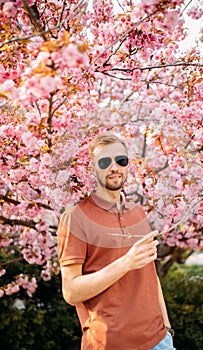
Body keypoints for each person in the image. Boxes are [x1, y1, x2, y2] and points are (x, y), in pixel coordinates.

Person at [57, 132, 175, 350]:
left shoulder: (138, 212)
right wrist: (126, 262)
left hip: (160, 341)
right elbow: (71, 292)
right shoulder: (74, 218)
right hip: (110, 344)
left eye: (121, 160)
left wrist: (167, 328)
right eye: (104, 162)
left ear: (128, 165)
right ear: (93, 169)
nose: (114, 167)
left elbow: (151, 274)